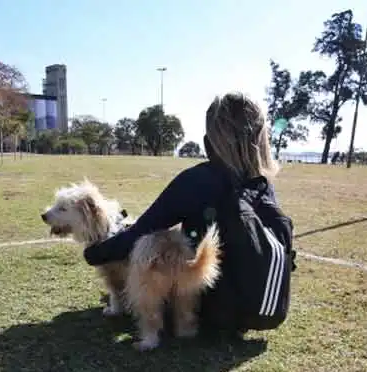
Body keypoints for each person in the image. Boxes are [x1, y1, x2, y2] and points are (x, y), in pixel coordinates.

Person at [83, 91, 284, 336]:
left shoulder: (199, 179)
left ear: (212, 137)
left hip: (205, 305)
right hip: (259, 308)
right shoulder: (264, 185)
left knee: (154, 258)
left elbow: (141, 232)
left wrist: (95, 253)